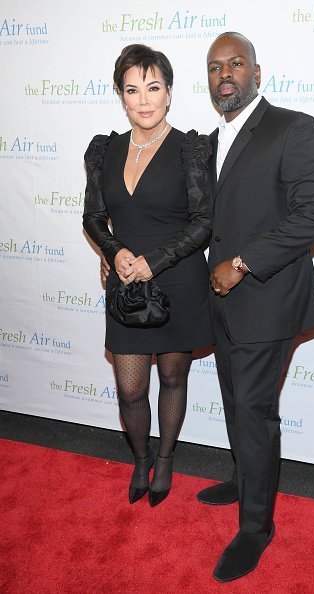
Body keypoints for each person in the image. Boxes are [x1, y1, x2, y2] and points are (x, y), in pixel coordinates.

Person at [195, 32, 314, 582]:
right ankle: (245, 477)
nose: (224, 74)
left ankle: (257, 528)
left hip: (267, 298)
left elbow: (313, 215)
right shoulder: (210, 140)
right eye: (214, 67)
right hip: (223, 305)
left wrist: (244, 263)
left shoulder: (292, 127)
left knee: (255, 412)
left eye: (235, 63)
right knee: (234, 401)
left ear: (256, 70)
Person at [83, 44, 214, 508]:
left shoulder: (190, 149)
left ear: (169, 93)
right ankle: (140, 458)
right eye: (132, 89)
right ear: (121, 95)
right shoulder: (104, 150)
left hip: (178, 281)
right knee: (130, 388)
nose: (144, 99)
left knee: (173, 380)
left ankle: (166, 457)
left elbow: (204, 220)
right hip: (125, 285)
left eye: (153, 88)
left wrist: (153, 261)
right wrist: (114, 251)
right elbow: (94, 216)